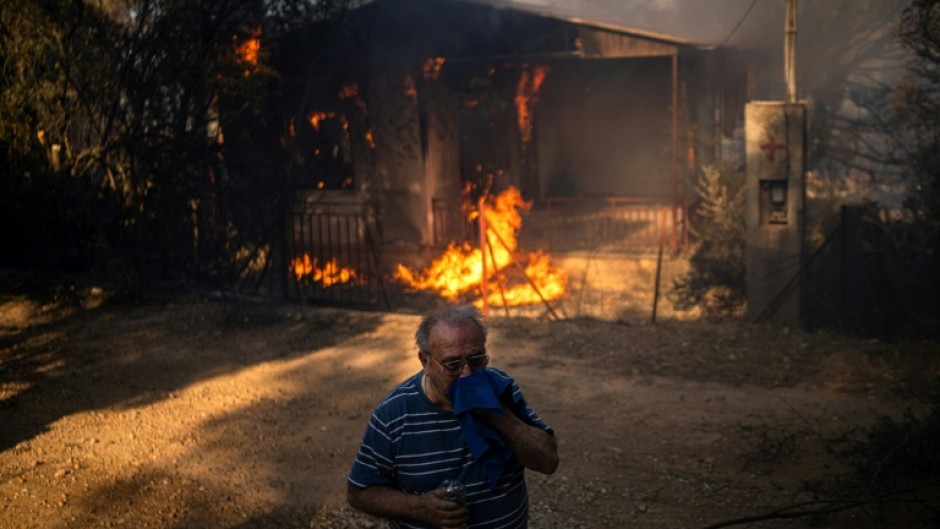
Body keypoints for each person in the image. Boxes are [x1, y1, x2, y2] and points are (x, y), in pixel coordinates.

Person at [347, 304, 558, 529]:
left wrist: (498, 414)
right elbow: (360, 493)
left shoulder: (500, 388)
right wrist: (420, 508)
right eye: (453, 364)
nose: (467, 374)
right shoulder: (395, 413)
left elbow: (547, 461)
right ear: (425, 362)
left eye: (476, 360)